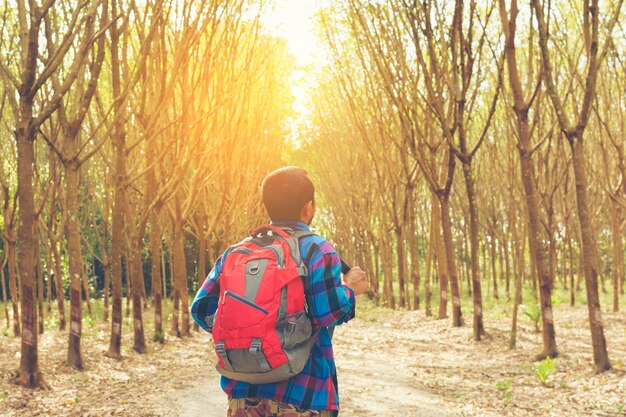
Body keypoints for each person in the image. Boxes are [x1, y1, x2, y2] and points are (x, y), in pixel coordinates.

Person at [191, 166, 369, 417]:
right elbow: (328, 312)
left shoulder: (236, 252)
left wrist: (247, 328)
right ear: (309, 207)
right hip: (302, 395)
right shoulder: (317, 249)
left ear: (267, 205)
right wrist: (350, 288)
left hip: (242, 397)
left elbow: (200, 309)